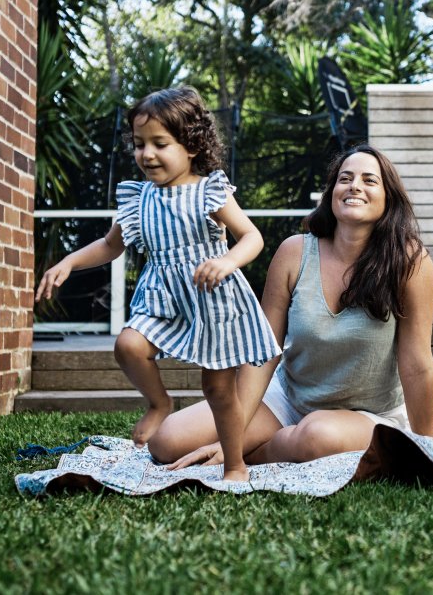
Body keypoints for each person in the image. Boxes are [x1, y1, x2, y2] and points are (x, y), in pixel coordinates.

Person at [34, 86, 281, 482]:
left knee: (218, 391)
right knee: (128, 344)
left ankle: (235, 465)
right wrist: (68, 262)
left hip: (212, 300)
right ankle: (159, 403)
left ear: (192, 146)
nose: (147, 154)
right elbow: (109, 246)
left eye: (160, 144)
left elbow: (252, 237)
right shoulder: (138, 198)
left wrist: (226, 260)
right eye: (139, 144)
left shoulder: (209, 191)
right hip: (162, 298)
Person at [151, 144, 433, 469]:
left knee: (317, 436)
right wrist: (235, 430)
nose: (355, 185)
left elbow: (417, 364)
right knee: (168, 441)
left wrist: (426, 449)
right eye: (345, 178)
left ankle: (262, 453)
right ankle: (272, 441)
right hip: (289, 399)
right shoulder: (294, 253)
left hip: (369, 414)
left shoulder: (411, 262)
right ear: (331, 192)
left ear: (388, 198)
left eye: (369, 180)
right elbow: (264, 352)